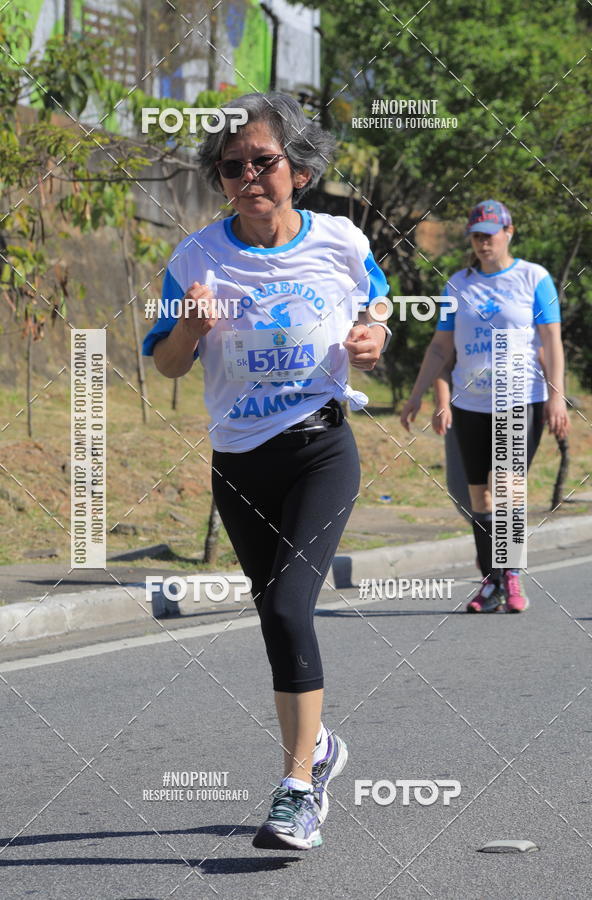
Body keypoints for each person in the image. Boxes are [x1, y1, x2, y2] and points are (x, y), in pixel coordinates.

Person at [142, 92, 391, 851]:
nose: (248, 176)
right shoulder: (194, 259)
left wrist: (373, 335)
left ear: (300, 169)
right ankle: (316, 749)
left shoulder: (341, 242)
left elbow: (376, 307)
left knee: (288, 609)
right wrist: (190, 325)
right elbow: (167, 364)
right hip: (240, 461)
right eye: (231, 168)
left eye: (263, 162)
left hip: (322, 446)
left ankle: (296, 791)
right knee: (273, 617)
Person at [401, 199, 569, 613]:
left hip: (519, 400)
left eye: (489, 235)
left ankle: (510, 576)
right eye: (476, 236)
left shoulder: (535, 278)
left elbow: (551, 341)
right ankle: (490, 582)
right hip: (471, 402)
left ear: (508, 233)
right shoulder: (458, 283)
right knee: (479, 495)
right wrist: (417, 393)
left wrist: (556, 396)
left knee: (509, 491)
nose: (482, 243)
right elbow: (441, 346)